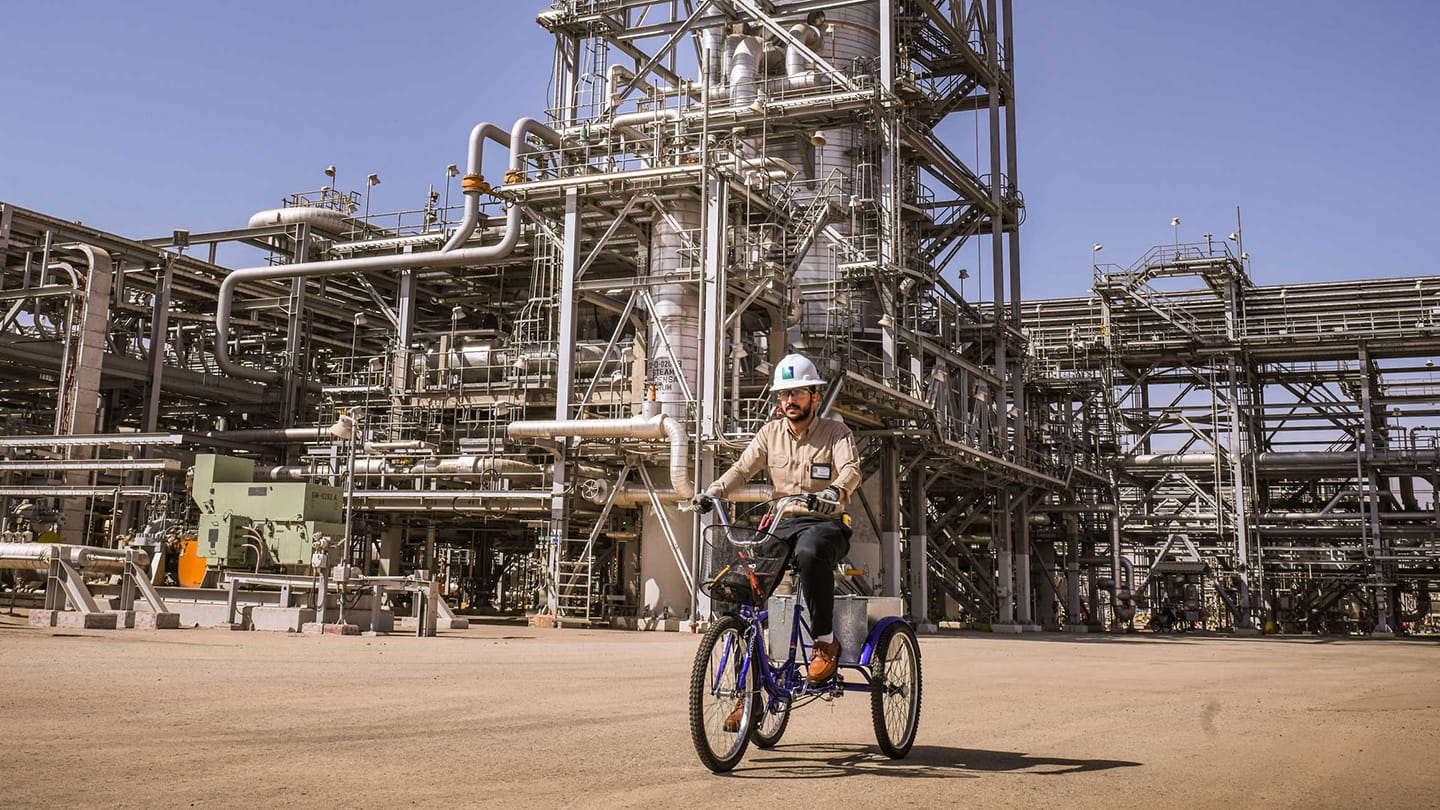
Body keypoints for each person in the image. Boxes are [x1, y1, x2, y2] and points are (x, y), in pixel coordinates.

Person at [693, 352, 861, 686]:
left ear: (814, 395)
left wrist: (834, 491)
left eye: (797, 393)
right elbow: (743, 468)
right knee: (744, 587)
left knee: (811, 553)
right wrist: (714, 491)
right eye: (785, 394)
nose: (790, 400)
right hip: (782, 523)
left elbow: (851, 470)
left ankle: (825, 641)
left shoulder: (835, 433)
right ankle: (750, 692)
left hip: (824, 522)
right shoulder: (770, 434)